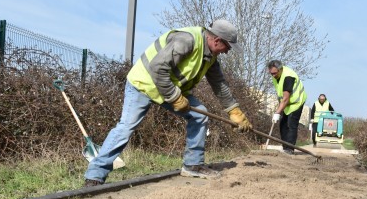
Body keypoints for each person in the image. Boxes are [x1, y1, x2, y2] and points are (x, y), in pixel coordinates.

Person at [83, 19, 252, 186]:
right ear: (217, 40)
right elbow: (157, 69)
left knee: (199, 116)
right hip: (144, 84)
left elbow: (219, 85)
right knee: (126, 127)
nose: (227, 52)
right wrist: (174, 97)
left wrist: (234, 111)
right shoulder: (186, 40)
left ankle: (193, 165)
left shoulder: (211, 57)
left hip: (169, 89)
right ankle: (95, 175)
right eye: (227, 47)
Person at [267, 60, 307, 155]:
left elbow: (285, 98)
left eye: (274, 73)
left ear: (280, 69)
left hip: (296, 102)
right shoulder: (276, 76)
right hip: (287, 104)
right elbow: (281, 95)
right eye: (271, 73)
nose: (273, 75)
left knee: (291, 124)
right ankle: (285, 148)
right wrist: (280, 108)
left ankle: (290, 149)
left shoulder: (288, 76)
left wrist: (277, 113)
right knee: (283, 125)